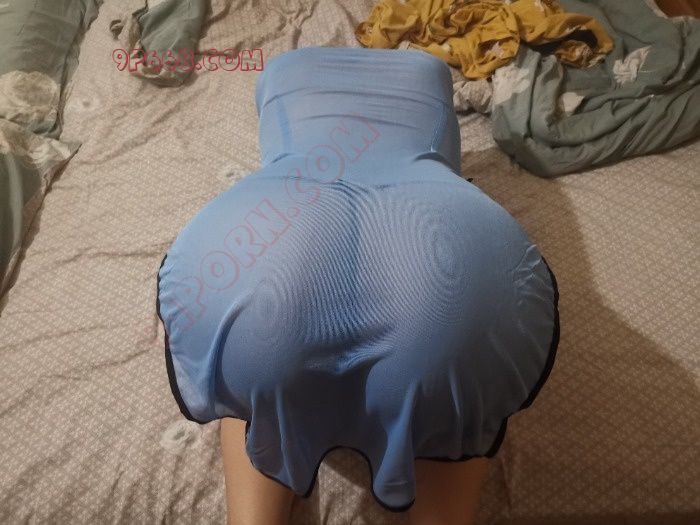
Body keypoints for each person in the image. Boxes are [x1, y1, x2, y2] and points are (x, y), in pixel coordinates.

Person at [157, 47, 559, 525]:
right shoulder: (430, 67)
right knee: (454, 391)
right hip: (440, 238)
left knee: (256, 379)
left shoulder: (280, 69)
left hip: (275, 238)